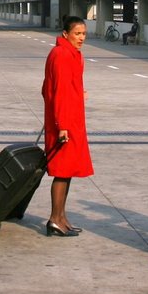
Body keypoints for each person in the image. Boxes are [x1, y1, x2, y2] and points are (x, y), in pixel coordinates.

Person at [42, 15, 94, 236]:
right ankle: (55, 219)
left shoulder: (69, 53)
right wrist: (62, 125)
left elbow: (49, 88)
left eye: (83, 34)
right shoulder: (62, 54)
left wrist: (78, 93)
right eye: (77, 34)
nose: (81, 38)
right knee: (62, 172)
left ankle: (62, 217)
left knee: (68, 170)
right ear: (66, 34)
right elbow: (59, 91)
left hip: (70, 118)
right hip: (64, 123)